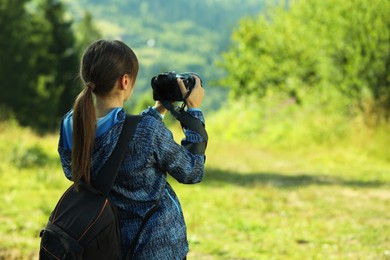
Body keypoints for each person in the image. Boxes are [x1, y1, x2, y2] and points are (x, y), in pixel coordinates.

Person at [57, 39, 206, 259]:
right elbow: (192, 171)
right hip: (155, 249)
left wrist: (158, 111)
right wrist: (194, 111)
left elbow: (76, 169)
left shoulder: (72, 124)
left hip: (105, 245)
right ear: (125, 81)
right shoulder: (147, 131)